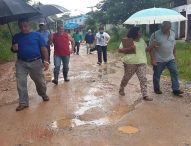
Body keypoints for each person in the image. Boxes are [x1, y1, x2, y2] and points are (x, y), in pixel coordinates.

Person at [11, 18, 50, 111]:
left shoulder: (37, 35)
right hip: (21, 63)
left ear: (29, 25)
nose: (23, 28)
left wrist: (46, 61)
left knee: (40, 82)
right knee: (20, 82)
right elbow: (13, 50)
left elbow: (44, 48)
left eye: (25, 26)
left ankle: (43, 94)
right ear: (19, 27)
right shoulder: (16, 37)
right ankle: (23, 102)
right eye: (21, 27)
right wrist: (13, 48)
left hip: (36, 62)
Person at [148, 21, 184, 96]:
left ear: (170, 28)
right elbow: (150, 49)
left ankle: (176, 89)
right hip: (158, 58)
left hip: (170, 58)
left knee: (174, 72)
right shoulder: (155, 35)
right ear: (161, 27)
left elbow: (174, 45)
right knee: (157, 74)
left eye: (166, 28)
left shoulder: (173, 33)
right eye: (163, 28)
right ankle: (157, 89)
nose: (163, 29)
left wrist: (174, 55)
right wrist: (153, 59)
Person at [118, 27, 153, 101]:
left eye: (141, 32)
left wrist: (152, 45)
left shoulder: (142, 40)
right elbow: (120, 50)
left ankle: (145, 95)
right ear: (135, 32)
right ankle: (122, 87)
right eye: (140, 32)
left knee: (143, 78)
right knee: (126, 77)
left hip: (141, 62)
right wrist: (130, 49)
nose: (141, 33)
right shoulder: (127, 40)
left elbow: (146, 50)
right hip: (130, 63)